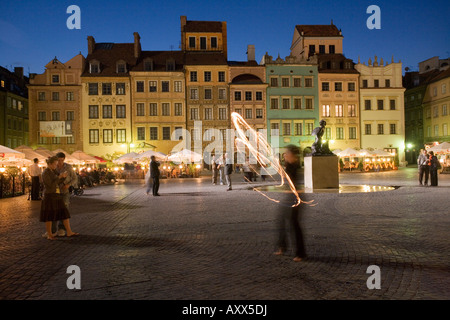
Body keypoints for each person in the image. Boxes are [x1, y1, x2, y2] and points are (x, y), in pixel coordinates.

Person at [274, 145, 306, 262]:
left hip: (295, 198)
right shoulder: (289, 165)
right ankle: (282, 246)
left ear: (293, 155)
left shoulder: (295, 166)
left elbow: (292, 180)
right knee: (281, 220)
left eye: (287, 153)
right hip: (289, 197)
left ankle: (300, 253)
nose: (285, 155)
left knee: (294, 224)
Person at [40, 156, 79, 240]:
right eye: (54, 164)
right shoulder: (45, 172)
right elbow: (50, 185)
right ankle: (50, 234)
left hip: (57, 194)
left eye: (56, 164)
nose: (56, 166)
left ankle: (69, 231)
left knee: (64, 213)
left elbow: (57, 183)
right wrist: (59, 177)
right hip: (50, 195)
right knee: (49, 216)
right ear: (49, 164)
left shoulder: (53, 171)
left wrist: (63, 177)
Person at [52, 152, 78, 237]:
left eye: (61, 160)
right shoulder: (53, 167)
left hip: (64, 192)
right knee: (54, 210)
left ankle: (61, 228)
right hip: (55, 192)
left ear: (64, 159)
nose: (60, 162)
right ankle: (53, 230)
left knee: (64, 209)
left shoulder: (69, 167)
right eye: (58, 160)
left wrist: (68, 185)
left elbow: (74, 178)